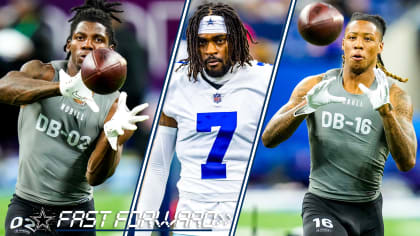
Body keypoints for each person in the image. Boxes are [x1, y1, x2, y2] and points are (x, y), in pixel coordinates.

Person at [262, 12, 417, 236]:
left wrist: (386, 113)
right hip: (322, 204)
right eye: (352, 37)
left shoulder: (395, 97)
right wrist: (306, 106)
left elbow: (407, 161)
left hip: (368, 210)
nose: (358, 45)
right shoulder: (315, 85)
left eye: (368, 39)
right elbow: (268, 138)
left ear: (380, 47)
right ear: (343, 43)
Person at [2, 0, 148, 235]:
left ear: (110, 48)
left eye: (98, 40)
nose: (88, 45)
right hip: (27, 206)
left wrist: (112, 138)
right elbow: (4, 89)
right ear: (68, 43)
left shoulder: (114, 105)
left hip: (77, 212)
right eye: (80, 37)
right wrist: (61, 88)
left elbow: (95, 177)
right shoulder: (41, 72)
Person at [135, 3, 272, 236]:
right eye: (202, 42)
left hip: (241, 208)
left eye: (219, 40)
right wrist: (141, 230)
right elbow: (157, 164)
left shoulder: (264, 78)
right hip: (192, 212)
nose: (210, 49)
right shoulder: (177, 82)